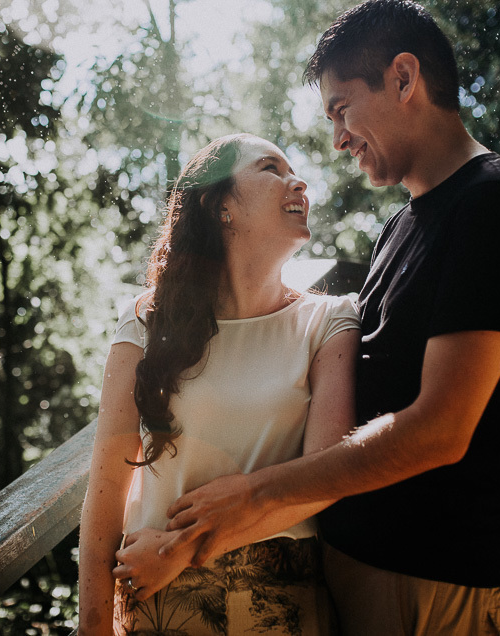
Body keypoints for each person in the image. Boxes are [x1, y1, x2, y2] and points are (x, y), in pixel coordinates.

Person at [115, 0, 500, 635]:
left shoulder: (496, 206)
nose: (338, 138)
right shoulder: (403, 225)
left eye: (342, 109)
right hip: (349, 572)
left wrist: (256, 494)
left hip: (428, 578)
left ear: (404, 78)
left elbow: (441, 429)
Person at [77, 133, 361, 635]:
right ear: (220, 205)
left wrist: (179, 549)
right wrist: (92, 627)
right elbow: (104, 505)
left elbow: (325, 478)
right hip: (157, 601)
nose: (299, 183)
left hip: (281, 602)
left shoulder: (330, 320)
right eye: (271, 168)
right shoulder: (145, 321)